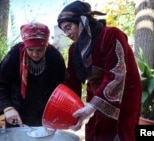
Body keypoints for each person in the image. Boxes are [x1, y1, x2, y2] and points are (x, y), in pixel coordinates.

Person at [57, 1, 142, 141]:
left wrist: (92, 106)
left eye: (68, 27)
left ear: (82, 21)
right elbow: (72, 82)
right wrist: (69, 110)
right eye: (63, 30)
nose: (66, 34)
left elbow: (117, 74)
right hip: (96, 93)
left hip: (124, 93)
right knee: (94, 130)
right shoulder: (74, 49)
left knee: (118, 132)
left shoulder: (111, 35)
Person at [0, 22, 66, 128]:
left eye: (40, 50)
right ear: (25, 45)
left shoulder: (54, 56)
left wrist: (58, 112)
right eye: (30, 50)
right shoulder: (15, 54)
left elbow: (60, 88)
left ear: (46, 44)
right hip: (16, 112)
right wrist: (7, 108)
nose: (35, 54)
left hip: (45, 113)